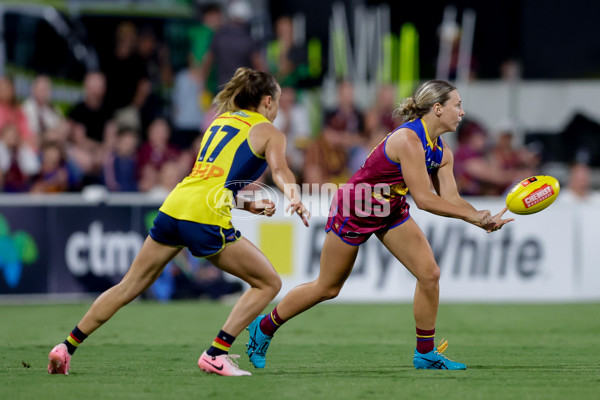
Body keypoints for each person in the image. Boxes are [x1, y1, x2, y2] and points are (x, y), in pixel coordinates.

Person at [47, 67, 310, 377]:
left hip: (175, 206)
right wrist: (293, 193)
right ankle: (216, 353)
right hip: (204, 217)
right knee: (269, 283)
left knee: (128, 285)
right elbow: (279, 169)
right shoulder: (269, 132)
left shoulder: (220, 122)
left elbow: (210, 181)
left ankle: (66, 347)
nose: (277, 109)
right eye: (277, 101)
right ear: (267, 101)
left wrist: (248, 204)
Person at [246, 80, 513, 371]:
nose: (462, 112)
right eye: (457, 105)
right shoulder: (409, 140)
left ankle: (425, 353)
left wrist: (481, 218)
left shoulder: (442, 151)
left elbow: (451, 198)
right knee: (327, 287)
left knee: (429, 274)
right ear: (437, 109)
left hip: (390, 208)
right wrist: (472, 217)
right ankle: (265, 327)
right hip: (356, 208)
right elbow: (424, 199)